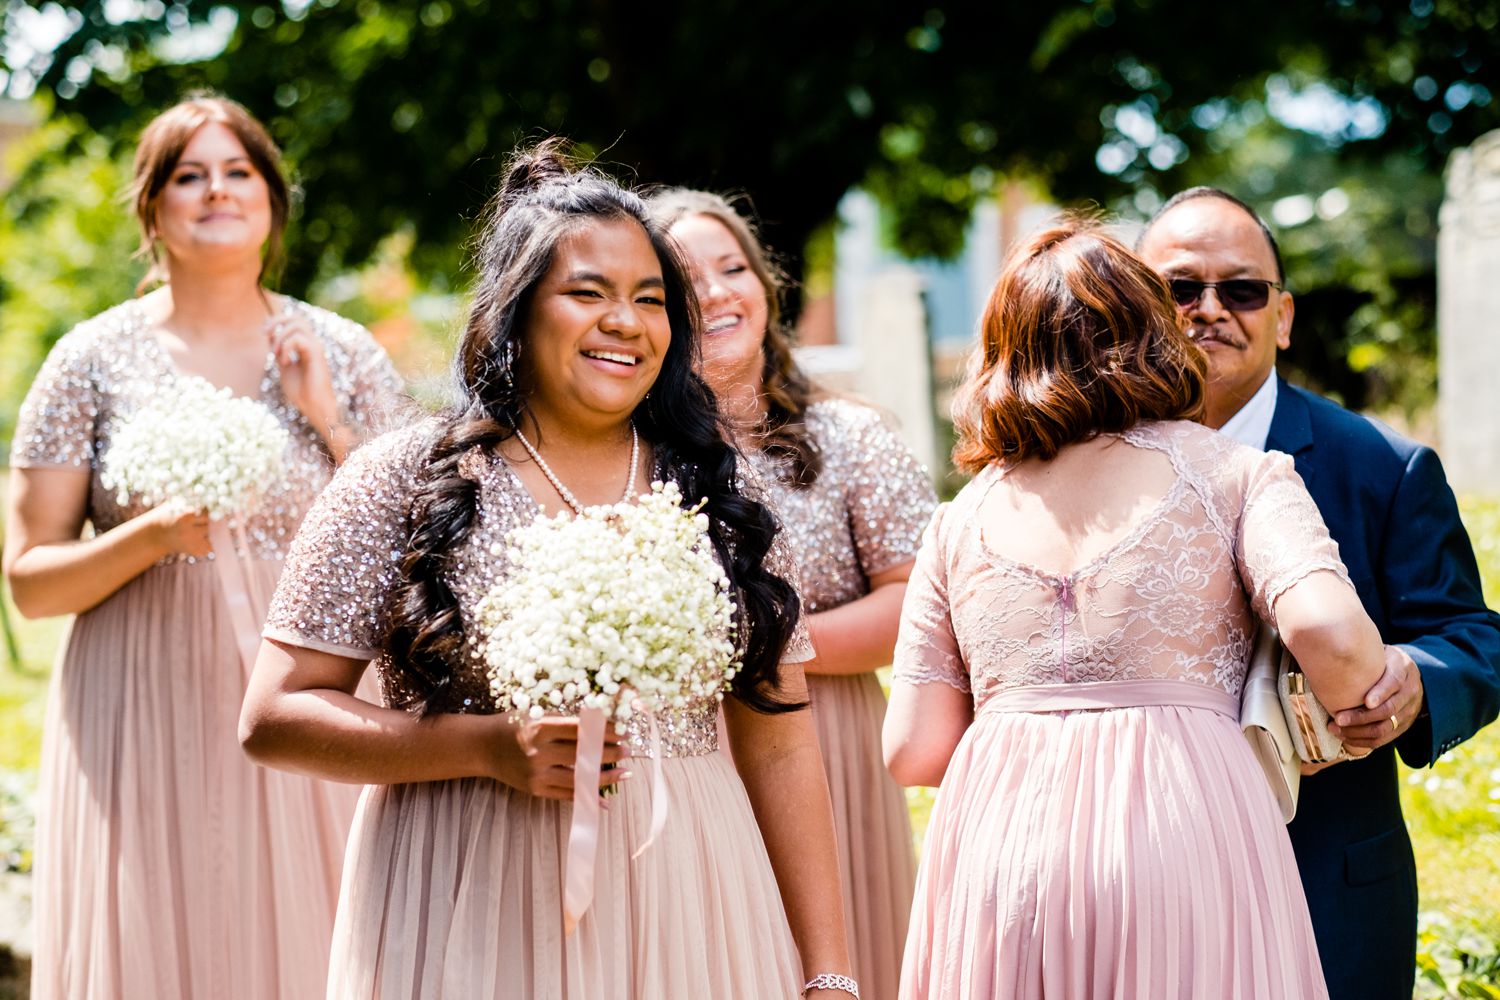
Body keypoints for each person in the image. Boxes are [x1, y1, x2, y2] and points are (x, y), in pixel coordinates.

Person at [238, 143, 857, 1000]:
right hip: (466, 892)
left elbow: (783, 744)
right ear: (517, 312)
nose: (626, 322)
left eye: (650, 299)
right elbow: (272, 715)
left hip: (694, 890)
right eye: (587, 293)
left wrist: (829, 973)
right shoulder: (402, 477)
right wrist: (485, 747)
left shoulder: (722, 488)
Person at [884, 217, 1389, 999]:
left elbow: (913, 748)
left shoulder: (960, 517)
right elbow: (1328, 630)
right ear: (1153, 331)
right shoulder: (1236, 474)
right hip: (1183, 831)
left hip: (1000, 854)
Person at [3, 94, 404, 999]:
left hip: (310, 687)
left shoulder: (341, 350)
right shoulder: (89, 359)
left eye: (238, 172)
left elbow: (418, 532)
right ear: (153, 209)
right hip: (142, 697)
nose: (216, 191)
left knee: (324, 933)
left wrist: (328, 421)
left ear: (271, 199)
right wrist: (151, 535)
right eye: (189, 175)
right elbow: (30, 583)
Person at [1136, 186, 1500, 1000]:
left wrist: (1415, 678)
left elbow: (1473, 636)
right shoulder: (1085, 470)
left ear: (1284, 315)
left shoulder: (1384, 466)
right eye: (1179, 288)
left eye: (1241, 290)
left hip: (1328, 881)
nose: (1208, 310)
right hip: (1142, 884)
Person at [649, 187, 935, 1000]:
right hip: (689, 757)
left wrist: (765, 646)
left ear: (766, 284)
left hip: (832, 740)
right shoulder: (635, 451)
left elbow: (913, 604)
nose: (713, 292)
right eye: (681, 277)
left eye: (732, 267)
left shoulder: (851, 435)